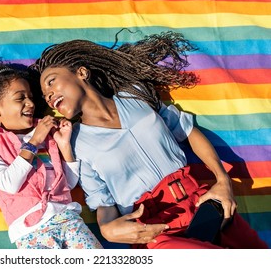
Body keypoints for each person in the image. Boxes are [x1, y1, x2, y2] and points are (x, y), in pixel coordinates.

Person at [31, 31, 268, 249]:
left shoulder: (135, 94)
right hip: (152, 230)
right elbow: (100, 200)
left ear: (81, 72)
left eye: (51, 82)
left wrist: (223, 180)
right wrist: (107, 229)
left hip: (203, 205)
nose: (49, 95)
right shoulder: (75, 142)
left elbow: (187, 131)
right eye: (45, 95)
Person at [0, 59, 103, 249]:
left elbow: (69, 184)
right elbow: (9, 184)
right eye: (20, 98)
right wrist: (34, 142)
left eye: (31, 97)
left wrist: (64, 146)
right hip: (30, 232)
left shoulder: (48, 134)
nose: (30, 103)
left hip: (69, 221)